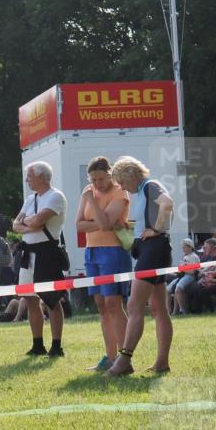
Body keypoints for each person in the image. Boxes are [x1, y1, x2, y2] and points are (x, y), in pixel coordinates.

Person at [106, 157, 175, 377]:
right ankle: (162, 362)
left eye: (122, 182)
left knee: (135, 305)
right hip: (154, 250)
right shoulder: (147, 188)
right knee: (158, 308)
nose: (123, 188)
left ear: (130, 174)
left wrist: (156, 229)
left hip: (153, 249)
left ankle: (124, 360)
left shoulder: (150, 186)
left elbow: (168, 203)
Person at [75, 156, 132, 370]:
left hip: (113, 251)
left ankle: (123, 356)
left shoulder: (119, 192)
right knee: (101, 304)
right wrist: (97, 222)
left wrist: (92, 204)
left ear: (110, 174)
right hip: (92, 251)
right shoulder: (87, 191)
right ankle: (109, 357)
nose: (97, 184)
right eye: (93, 179)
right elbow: (78, 225)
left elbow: (107, 225)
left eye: (101, 179)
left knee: (113, 303)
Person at [12, 161, 68, 359]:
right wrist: (30, 224)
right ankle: (37, 344)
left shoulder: (56, 197)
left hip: (47, 253)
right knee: (29, 298)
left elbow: (36, 221)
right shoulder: (30, 199)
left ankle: (56, 345)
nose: (27, 179)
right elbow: (15, 225)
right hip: (28, 253)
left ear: (42, 177)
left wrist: (28, 222)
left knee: (52, 300)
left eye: (30, 176)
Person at [167, 238, 200, 315]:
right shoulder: (186, 256)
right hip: (183, 276)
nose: (183, 249)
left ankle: (184, 311)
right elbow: (182, 269)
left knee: (178, 288)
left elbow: (192, 272)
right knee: (167, 290)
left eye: (184, 247)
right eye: (182, 247)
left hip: (190, 276)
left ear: (190, 247)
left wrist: (182, 269)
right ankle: (169, 311)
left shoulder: (194, 257)